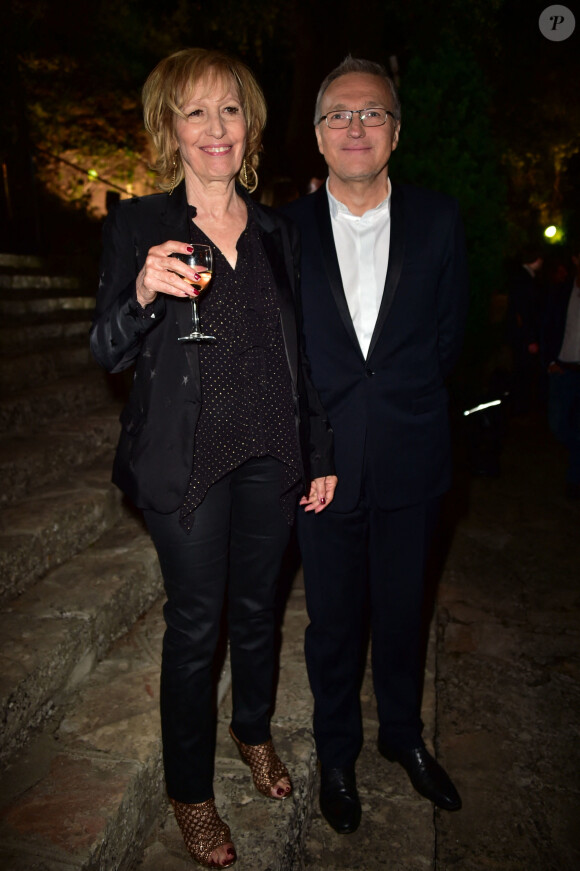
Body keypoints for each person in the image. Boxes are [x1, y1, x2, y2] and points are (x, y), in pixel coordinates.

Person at [90, 48, 336, 868]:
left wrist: (318, 449)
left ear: (250, 124)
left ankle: (255, 729)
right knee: (197, 626)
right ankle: (189, 791)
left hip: (271, 449)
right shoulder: (135, 225)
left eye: (229, 109)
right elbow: (107, 352)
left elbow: (297, 352)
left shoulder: (277, 230)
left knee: (259, 606)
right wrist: (140, 294)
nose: (216, 127)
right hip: (187, 461)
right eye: (195, 112)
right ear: (171, 128)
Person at [282, 56, 468, 834]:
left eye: (372, 114)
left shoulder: (440, 219)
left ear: (395, 132)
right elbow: (280, 358)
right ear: (319, 137)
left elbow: (449, 337)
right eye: (339, 115)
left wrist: (410, 412)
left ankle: (402, 736)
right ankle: (337, 752)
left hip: (412, 458)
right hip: (322, 469)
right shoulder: (281, 231)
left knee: (403, 612)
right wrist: (308, 446)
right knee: (331, 621)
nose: (355, 127)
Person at [542, 246, 580, 499]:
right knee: (557, 423)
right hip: (563, 369)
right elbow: (548, 325)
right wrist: (549, 360)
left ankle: (574, 479)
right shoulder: (563, 291)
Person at [505, 248, 543, 414]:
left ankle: (521, 406)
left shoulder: (521, 277)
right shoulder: (525, 279)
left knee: (522, 371)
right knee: (523, 372)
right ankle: (521, 407)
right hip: (523, 336)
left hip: (520, 335)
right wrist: (530, 338)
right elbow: (524, 311)